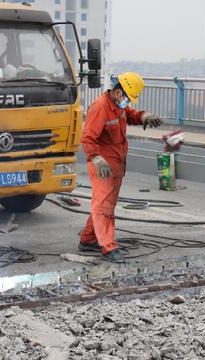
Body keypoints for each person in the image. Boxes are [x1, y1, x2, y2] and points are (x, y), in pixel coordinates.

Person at [78, 72, 163, 263]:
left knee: (105, 204)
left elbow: (128, 115)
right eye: (126, 98)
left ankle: (88, 239)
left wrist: (143, 117)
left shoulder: (117, 106)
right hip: (103, 166)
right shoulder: (101, 108)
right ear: (117, 92)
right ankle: (108, 247)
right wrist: (96, 158)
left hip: (115, 165)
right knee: (103, 206)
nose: (127, 102)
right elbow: (87, 138)